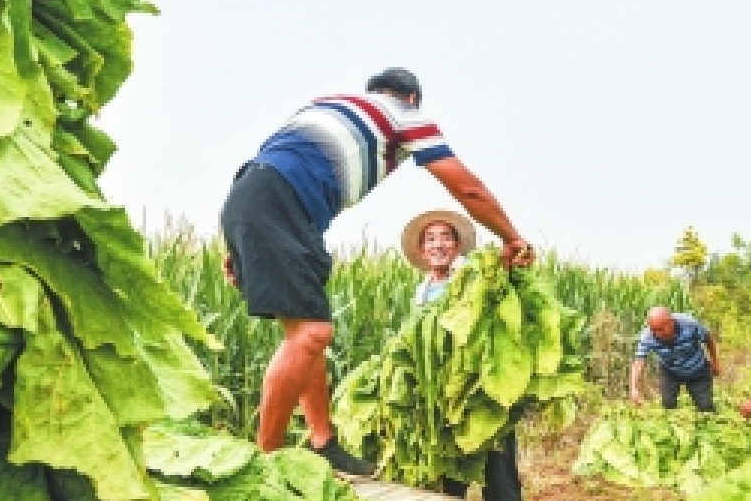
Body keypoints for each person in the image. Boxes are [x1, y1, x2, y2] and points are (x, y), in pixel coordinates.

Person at [220, 68, 535, 476]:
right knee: (312, 334)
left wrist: (237, 243)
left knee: (306, 328)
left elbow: (257, 168)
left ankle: (322, 441)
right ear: (410, 98)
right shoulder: (406, 116)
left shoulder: (321, 106)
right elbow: (466, 188)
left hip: (259, 202)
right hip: (281, 205)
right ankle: (264, 464)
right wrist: (511, 237)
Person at [401, 209, 524, 501]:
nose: (438, 244)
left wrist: (510, 257)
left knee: (498, 471)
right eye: (430, 239)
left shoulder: (472, 274)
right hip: (443, 394)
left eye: (445, 237)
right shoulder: (423, 290)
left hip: (483, 389)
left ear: (457, 245)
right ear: (422, 249)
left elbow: (501, 279)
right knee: (450, 476)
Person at [629, 307, 720, 411]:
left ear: (671, 323)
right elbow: (638, 362)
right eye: (653, 330)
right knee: (668, 405)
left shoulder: (690, 324)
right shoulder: (647, 336)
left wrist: (715, 362)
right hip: (670, 371)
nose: (657, 334)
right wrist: (634, 388)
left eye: (661, 329)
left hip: (697, 369)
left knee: (706, 407)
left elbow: (708, 339)